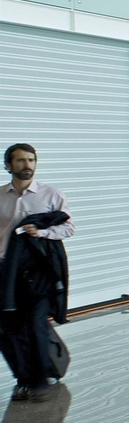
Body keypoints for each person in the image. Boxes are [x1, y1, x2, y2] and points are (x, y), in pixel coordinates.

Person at [0, 145, 72, 404]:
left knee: (34, 324)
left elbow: (68, 228)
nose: (27, 164)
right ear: (8, 165)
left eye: (31, 160)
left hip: (39, 272)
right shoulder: (0, 196)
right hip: (5, 271)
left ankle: (41, 380)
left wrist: (41, 233)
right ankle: (24, 378)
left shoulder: (50, 195)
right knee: (7, 329)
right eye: (20, 160)